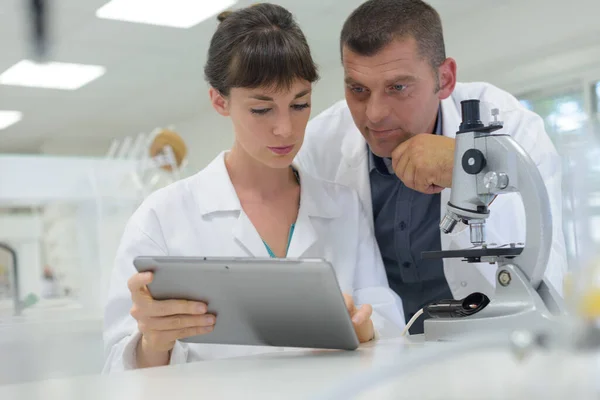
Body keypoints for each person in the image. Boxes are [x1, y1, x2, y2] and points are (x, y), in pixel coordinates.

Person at [103, 3, 404, 372]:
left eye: (300, 104)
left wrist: (364, 328)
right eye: (262, 110)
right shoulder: (162, 217)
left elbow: (388, 323)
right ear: (219, 100)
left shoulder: (343, 205)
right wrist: (154, 342)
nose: (286, 129)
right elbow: (117, 372)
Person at [295, 0, 568, 334]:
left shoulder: (511, 128)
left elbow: (543, 278)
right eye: (358, 89)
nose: (375, 113)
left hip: (491, 346)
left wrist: (464, 169)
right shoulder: (321, 143)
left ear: (445, 78)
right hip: (377, 356)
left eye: (398, 87)